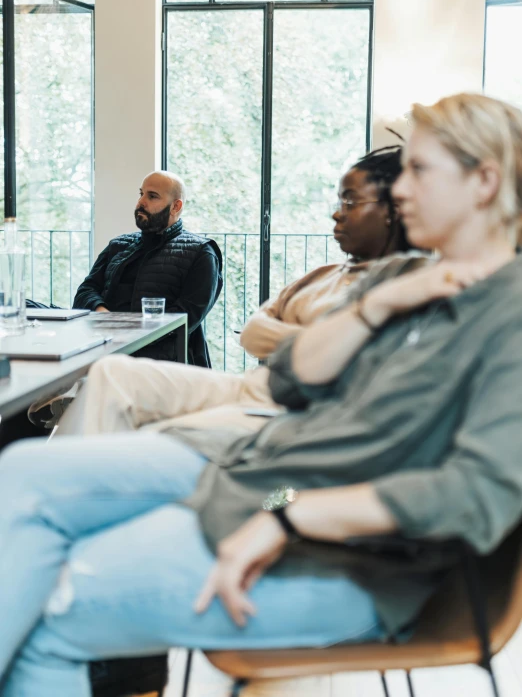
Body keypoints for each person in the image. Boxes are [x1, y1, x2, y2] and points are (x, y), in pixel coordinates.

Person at [2, 93, 522, 697]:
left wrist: (286, 519)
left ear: (484, 181)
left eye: (419, 169)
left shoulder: (507, 314)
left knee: (56, 600)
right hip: (268, 484)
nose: (399, 191)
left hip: (344, 554)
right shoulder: (403, 280)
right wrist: (378, 306)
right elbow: (288, 379)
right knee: (21, 475)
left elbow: (474, 491)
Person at [57, 144, 412, 439]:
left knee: (137, 408)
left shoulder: (199, 251)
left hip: (259, 395)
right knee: (109, 374)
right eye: (141, 194)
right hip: (251, 383)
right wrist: (315, 339)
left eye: (349, 202)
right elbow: (253, 334)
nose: (336, 215)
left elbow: (190, 316)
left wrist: (294, 338)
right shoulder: (320, 276)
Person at [73, 170, 223, 367]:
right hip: (107, 355)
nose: (141, 202)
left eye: (152, 196)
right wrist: (105, 316)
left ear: (176, 206)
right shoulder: (118, 245)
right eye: (141, 193)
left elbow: (186, 317)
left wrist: (128, 332)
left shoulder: (201, 252)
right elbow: (85, 292)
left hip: (166, 367)